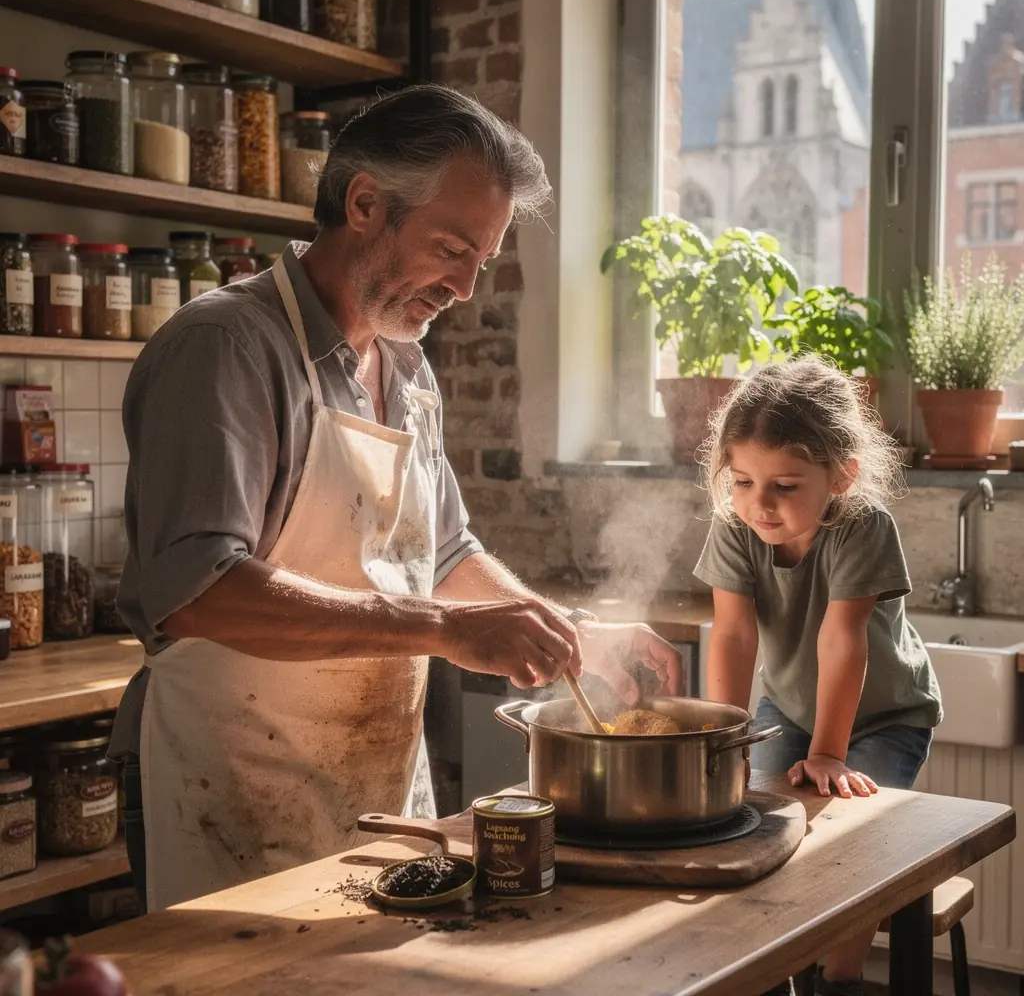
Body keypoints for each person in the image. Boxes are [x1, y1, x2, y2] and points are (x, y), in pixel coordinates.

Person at [109, 84, 682, 913]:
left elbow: (443, 554)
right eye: (451, 249)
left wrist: (564, 633)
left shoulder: (407, 366)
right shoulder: (226, 347)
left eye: (479, 262)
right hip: (231, 797)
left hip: (375, 792)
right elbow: (197, 588)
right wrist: (449, 631)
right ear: (366, 204)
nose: (465, 288)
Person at [693, 357, 942, 996]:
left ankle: (839, 979)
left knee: (848, 843)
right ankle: (770, 970)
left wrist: (831, 752)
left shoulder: (863, 525)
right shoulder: (734, 525)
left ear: (841, 475)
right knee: (752, 825)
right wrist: (725, 744)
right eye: (743, 481)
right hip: (791, 708)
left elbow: (843, 638)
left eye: (785, 485)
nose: (759, 504)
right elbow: (733, 634)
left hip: (886, 715)